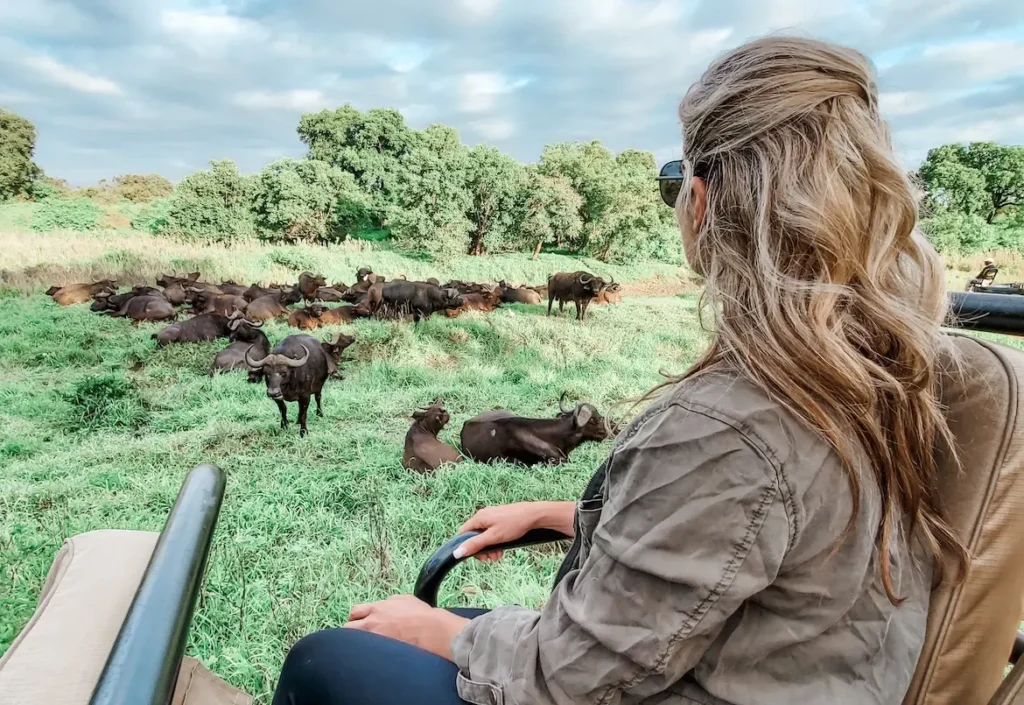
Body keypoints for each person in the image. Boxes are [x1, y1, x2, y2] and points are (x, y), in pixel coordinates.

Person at [272, 35, 968, 705]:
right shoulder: (884, 371)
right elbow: (760, 539)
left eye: (676, 184)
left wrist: (435, 629)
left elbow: (570, 681)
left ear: (699, 202)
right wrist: (568, 515)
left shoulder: (727, 423)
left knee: (325, 655)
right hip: (811, 671)